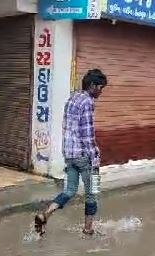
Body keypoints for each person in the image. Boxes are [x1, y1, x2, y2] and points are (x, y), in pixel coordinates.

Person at [34, 69, 107, 236]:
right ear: (92, 86)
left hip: (69, 154)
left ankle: (44, 214)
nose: (101, 92)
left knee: (69, 191)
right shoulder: (88, 102)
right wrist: (95, 158)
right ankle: (88, 229)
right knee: (92, 193)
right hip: (84, 156)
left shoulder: (73, 98)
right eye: (100, 88)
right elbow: (87, 134)